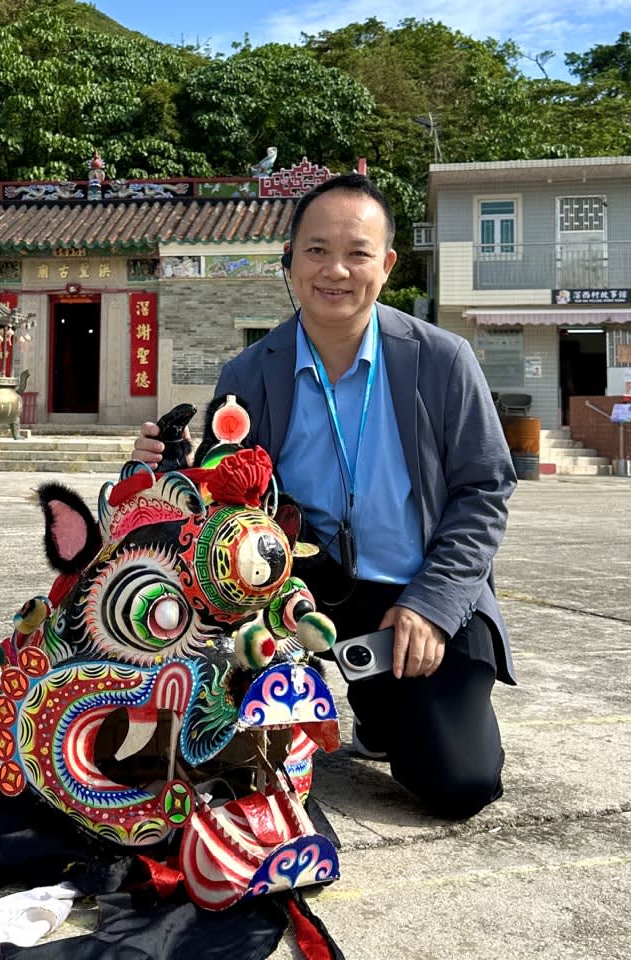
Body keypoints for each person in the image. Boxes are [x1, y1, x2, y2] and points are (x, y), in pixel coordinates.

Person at [134, 173, 516, 819]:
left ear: (386, 266)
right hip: (298, 586)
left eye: (357, 253)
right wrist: (168, 468)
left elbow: (485, 489)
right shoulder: (250, 372)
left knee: (459, 783)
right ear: (290, 260)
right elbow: (227, 501)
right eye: (316, 250)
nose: (335, 270)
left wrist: (434, 604)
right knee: (220, 756)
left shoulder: (443, 360)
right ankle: (336, 691)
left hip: (416, 585)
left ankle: (381, 709)